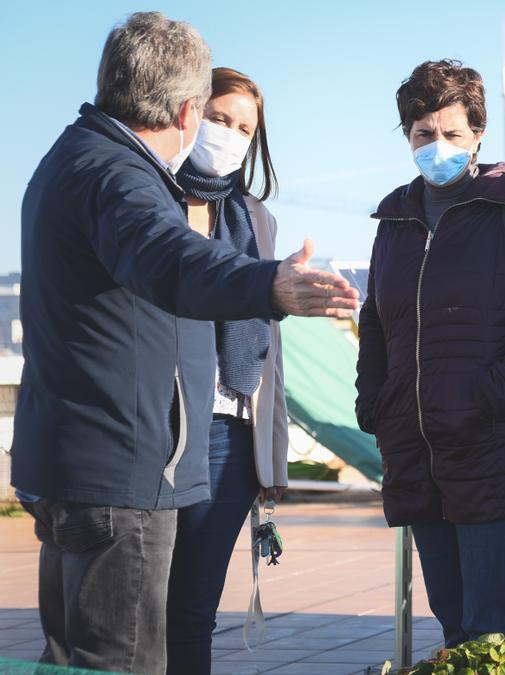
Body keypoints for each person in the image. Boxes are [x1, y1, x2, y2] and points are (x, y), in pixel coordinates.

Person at [11, 13, 357, 673]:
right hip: (121, 476)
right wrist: (270, 286)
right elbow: (173, 259)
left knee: (75, 662)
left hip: (74, 463)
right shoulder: (120, 179)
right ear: (187, 110)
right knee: (122, 660)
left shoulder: (72, 156)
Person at [354, 59, 505, 648]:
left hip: (498, 448)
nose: (438, 146)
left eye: (452, 133)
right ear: (407, 136)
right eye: (424, 134)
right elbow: (376, 324)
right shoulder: (394, 220)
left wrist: (480, 401)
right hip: (419, 450)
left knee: (493, 630)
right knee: (455, 626)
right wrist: (375, 404)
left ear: (478, 133)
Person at [164, 66, 290, 675]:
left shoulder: (256, 219)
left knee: (193, 612)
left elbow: (270, 348)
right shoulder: (151, 195)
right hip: (164, 429)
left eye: (245, 128)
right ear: (189, 112)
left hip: (231, 435)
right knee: (141, 607)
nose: (231, 135)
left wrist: (272, 454)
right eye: (219, 119)